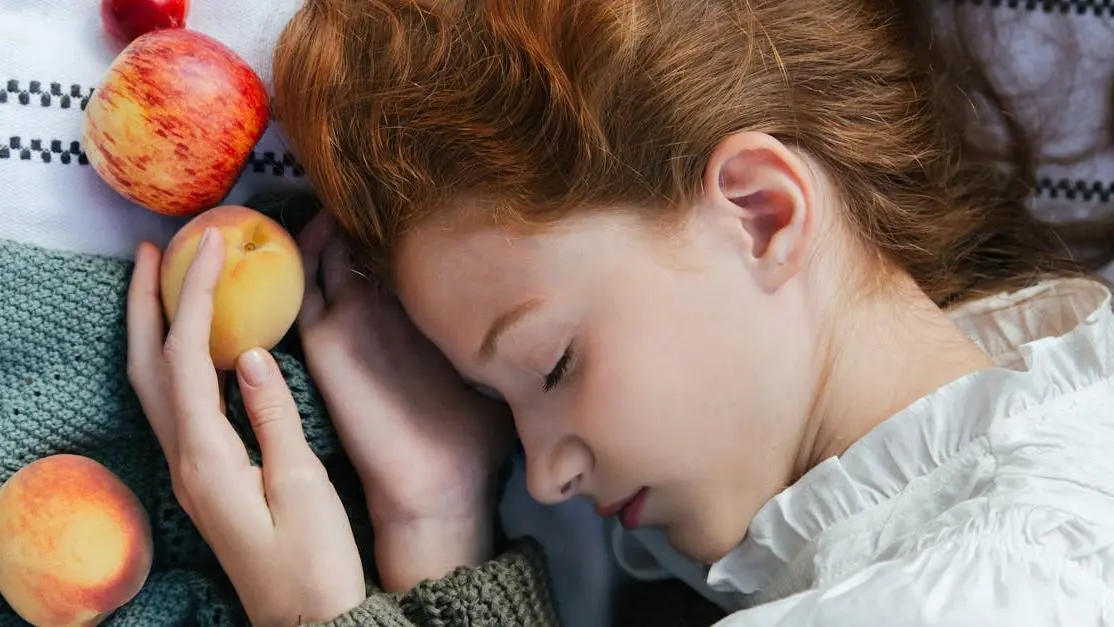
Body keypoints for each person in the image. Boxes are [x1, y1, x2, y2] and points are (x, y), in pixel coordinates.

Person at [116, 0, 1114, 625]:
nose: (544, 476)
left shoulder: (985, 589)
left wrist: (316, 616)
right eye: (499, 401)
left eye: (550, 367)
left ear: (761, 212)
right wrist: (435, 525)